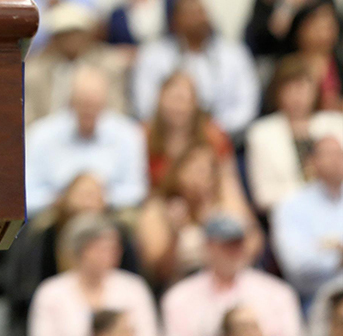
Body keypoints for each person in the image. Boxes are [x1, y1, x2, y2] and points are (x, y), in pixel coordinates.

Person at [24, 65, 147, 216]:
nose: (88, 110)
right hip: (56, 215)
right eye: (82, 103)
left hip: (110, 214)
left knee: (131, 217)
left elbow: (137, 190)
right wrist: (64, 200)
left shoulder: (128, 133)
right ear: (70, 102)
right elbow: (28, 195)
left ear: (105, 102)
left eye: (94, 104)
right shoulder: (41, 134)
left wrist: (99, 198)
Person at [132, 0, 260, 136]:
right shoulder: (153, 55)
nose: (195, 19)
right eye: (187, 13)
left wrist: (215, 129)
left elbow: (247, 106)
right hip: (167, 137)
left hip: (225, 136)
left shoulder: (234, 54)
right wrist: (180, 127)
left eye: (199, 12)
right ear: (174, 21)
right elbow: (145, 107)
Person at [160, 214, 302, 336]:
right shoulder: (179, 299)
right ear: (207, 246)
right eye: (225, 244)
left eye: (237, 243)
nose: (233, 251)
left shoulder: (278, 294)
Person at [137, 149, 261, 287]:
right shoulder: (158, 209)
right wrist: (175, 234)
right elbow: (159, 272)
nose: (202, 176)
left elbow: (254, 244)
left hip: (230, 279)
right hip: (180, 285)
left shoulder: (225, 203)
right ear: (178, 172)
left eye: (207, 170)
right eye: (195, 170)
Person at [27, 214, 160, 336]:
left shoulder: (133, 287)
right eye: (101, 248)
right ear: (81, 249)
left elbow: (149, 332)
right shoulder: (51, 292)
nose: (110, 255)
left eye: (114, 248)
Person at [245, 57, 343, 213]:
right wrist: (313, 195)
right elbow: (263, 196)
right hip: (289, 218)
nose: (297, 94)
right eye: (290, 87)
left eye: (303, 87)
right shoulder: (261, 134)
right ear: (277, 91)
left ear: (315, 90)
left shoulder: (337, 125)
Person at [24, 2, 128, 124]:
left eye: (76, 33)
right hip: (47, 137)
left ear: (87, 35)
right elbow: (28, 119)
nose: (71, 39)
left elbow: (117, 112)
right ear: (54, 38)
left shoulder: (109, 65)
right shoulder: (35, 72)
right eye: (64, 34)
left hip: (99, 136)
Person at [271, 135, 343, 305]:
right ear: (312, 161)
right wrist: (338, 259)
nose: (337, 160)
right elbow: (296, 264)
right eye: (329, 154)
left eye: (339, 154)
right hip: (318, 298)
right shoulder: (291, 205)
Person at [145, 71, 234, 190]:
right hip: (159, 202)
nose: (177, 106)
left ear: (195, 103)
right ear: (159, 100)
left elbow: (228, 184)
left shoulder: (213, 135)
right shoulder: (143, 136)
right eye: (172, 98)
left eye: (182, 99)